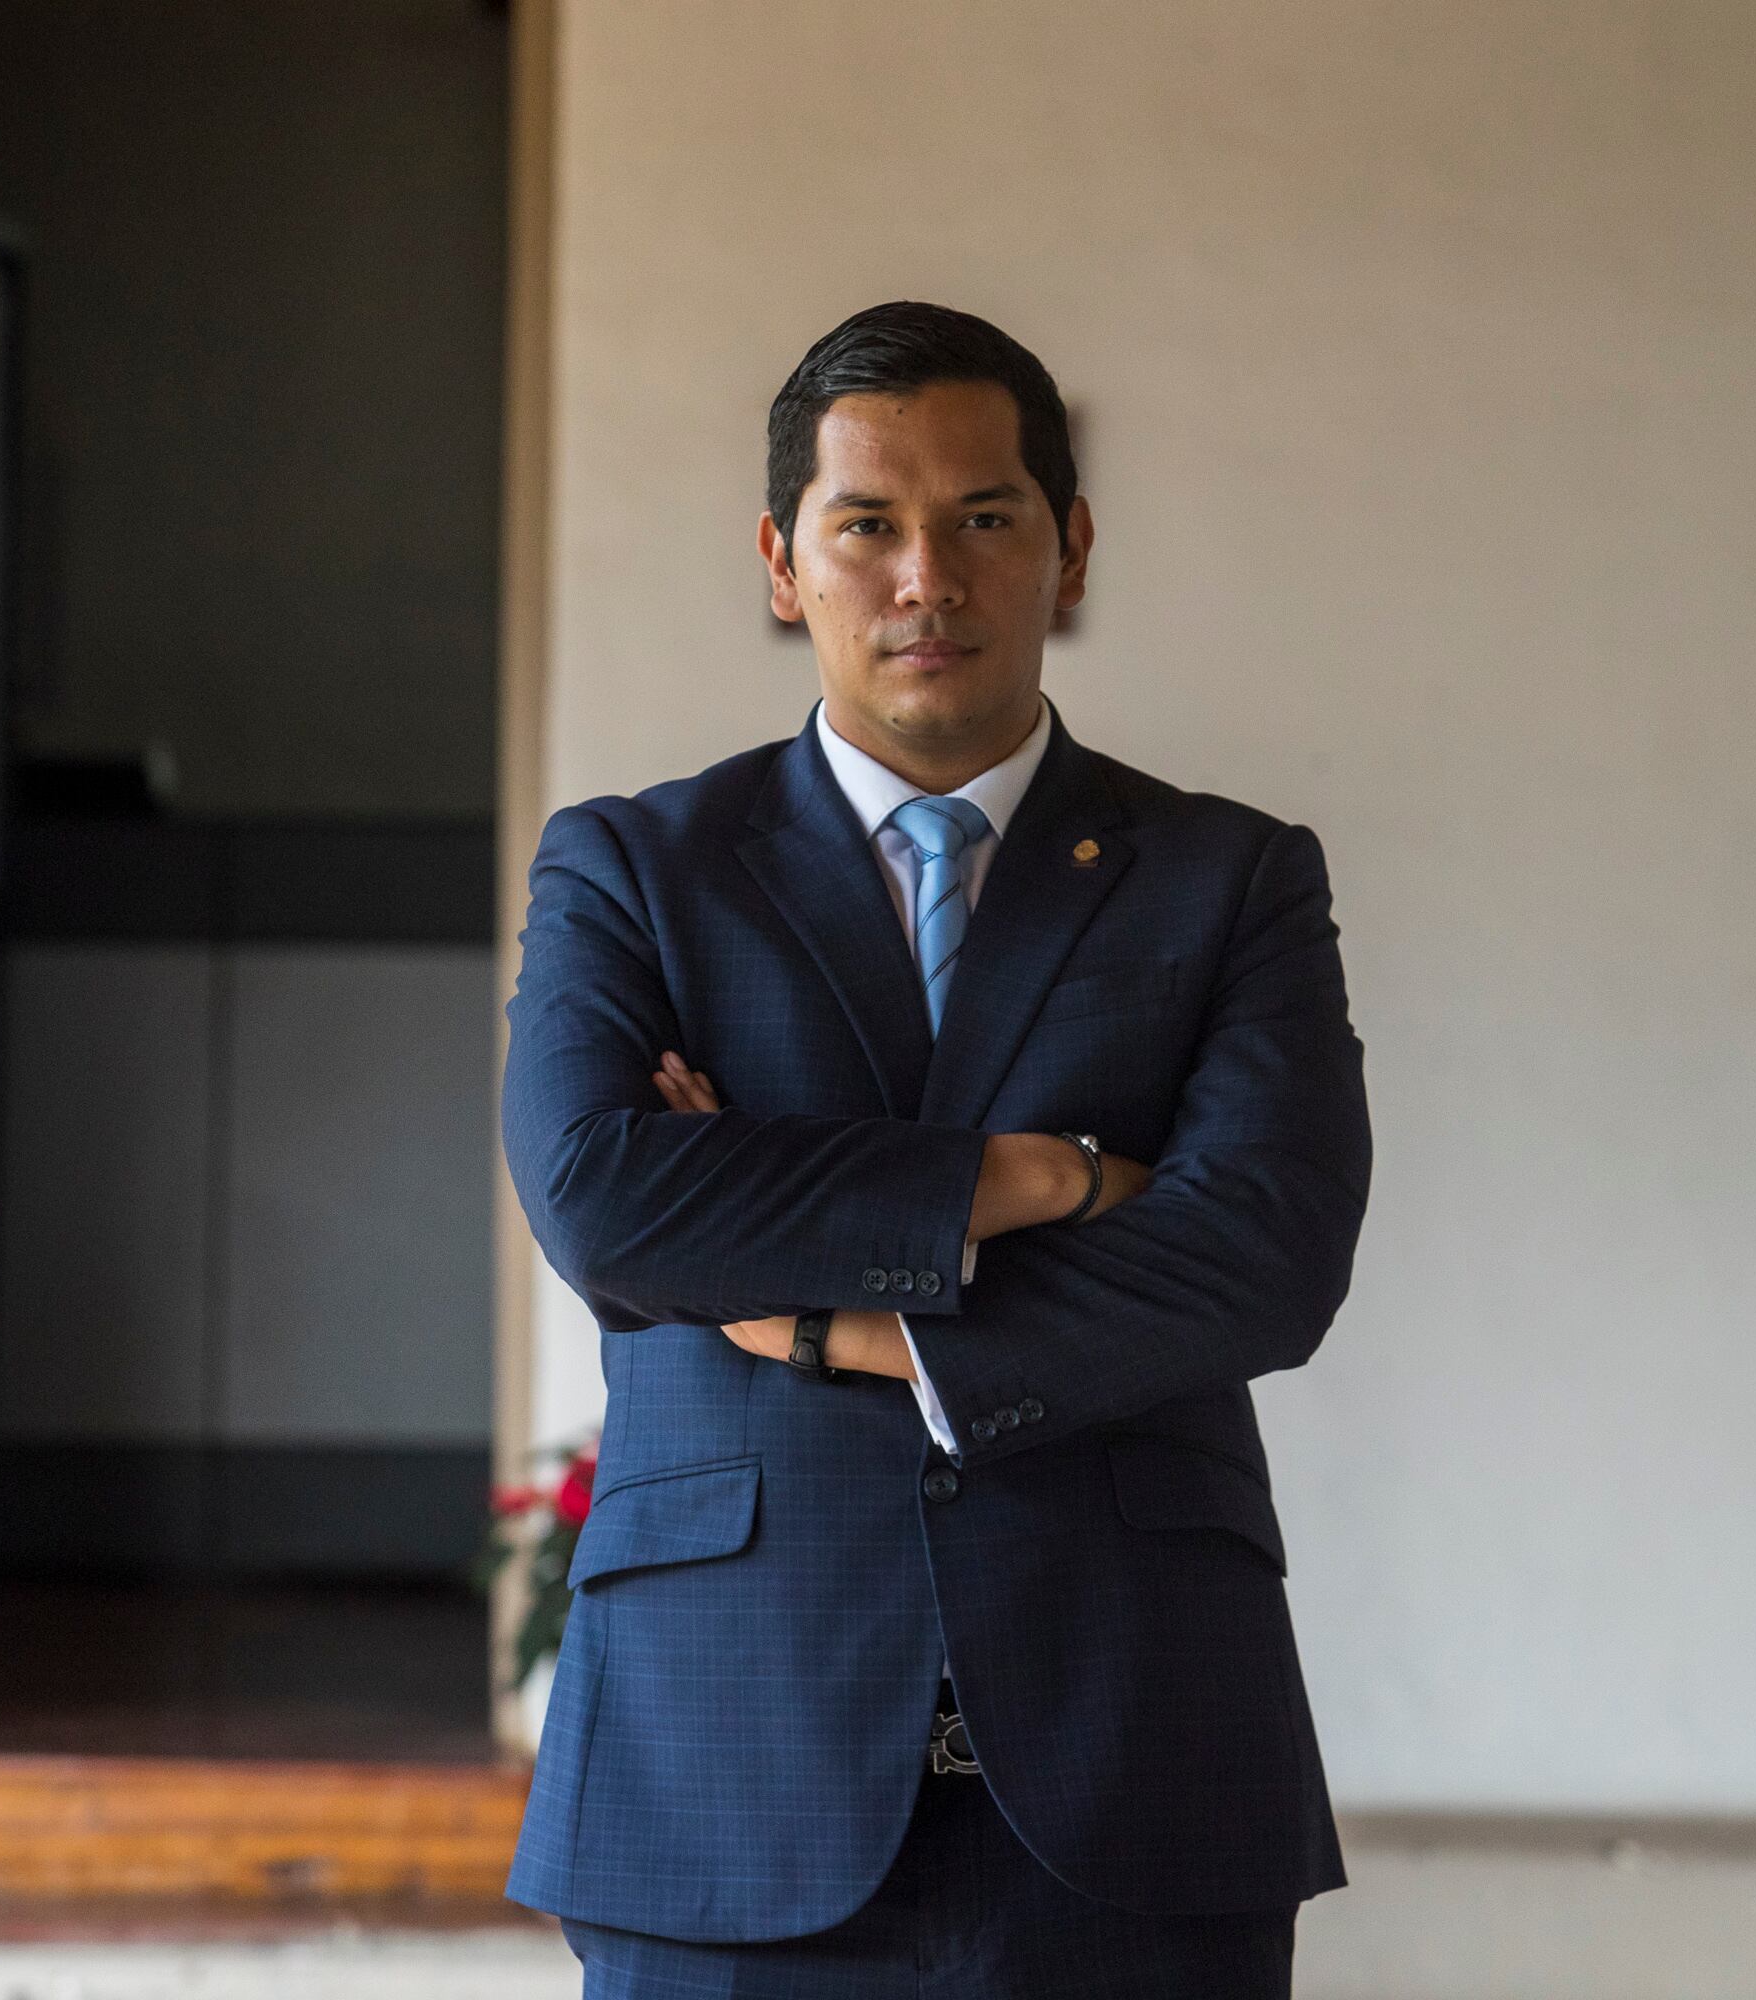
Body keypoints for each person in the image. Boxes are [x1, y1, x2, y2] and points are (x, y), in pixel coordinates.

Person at [500, 300, 1373, 1997]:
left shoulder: (1232, 878)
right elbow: (607, 1202)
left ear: (1071, 547)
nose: (927, 579)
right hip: (730, 1753)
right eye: (867, 526)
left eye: (984, 518)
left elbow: (1265, 1258)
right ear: (782, 562)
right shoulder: (633, 868)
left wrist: (833, 1317)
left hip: (1137, 1749)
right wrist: (1042, 1178)